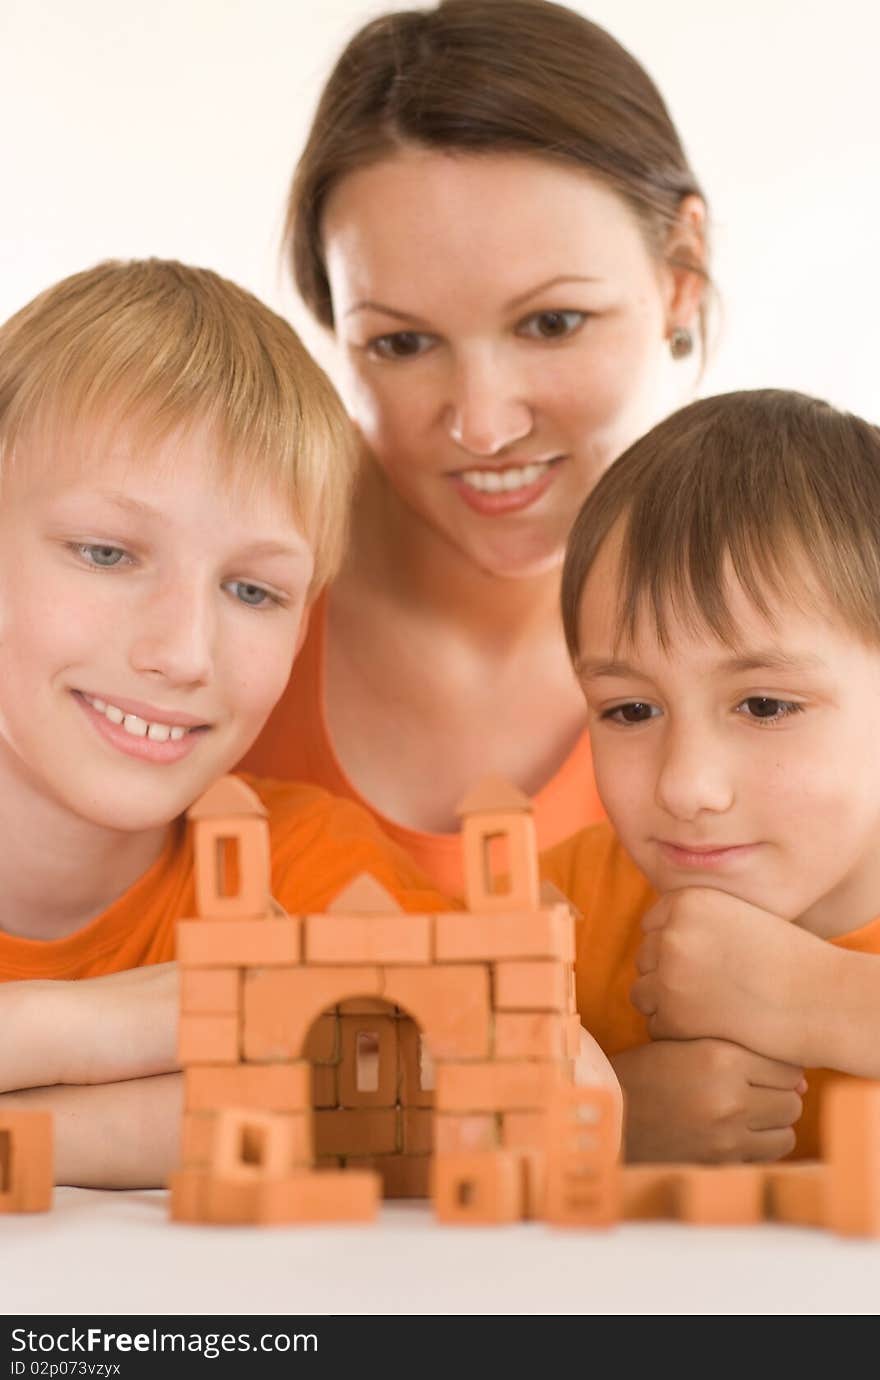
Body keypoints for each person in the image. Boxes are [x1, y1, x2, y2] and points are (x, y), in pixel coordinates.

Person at [239, 0, 709, 896]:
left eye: (551, 323)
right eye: (403, 343)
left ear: (680, 272)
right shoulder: (188, 557)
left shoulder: (816, 591)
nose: (484, 425)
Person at [0, 258, 450, 1189]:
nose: (185, 651)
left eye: (253, 589)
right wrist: (132, 1022)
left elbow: (559, 1089)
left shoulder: (293, 862)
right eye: (105, 552)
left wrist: (54, 1136)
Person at [541, 388, 880, 1162]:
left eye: (764, 704)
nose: (685, 787)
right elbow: (382, 1098)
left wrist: (818, 998)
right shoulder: (565, 911)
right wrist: (608, 1114)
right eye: (629, 710)